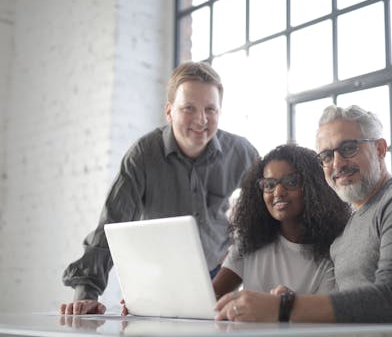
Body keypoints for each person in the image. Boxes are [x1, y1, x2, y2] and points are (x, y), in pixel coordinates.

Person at [214, 104, 392, 335]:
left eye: (348, 148)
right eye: (326, 156)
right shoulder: (348, 228)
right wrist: (290, 301)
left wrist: (284, 306)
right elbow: (349, 307)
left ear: (380, 149)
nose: (337, 163)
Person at [60, 61, 259, 315]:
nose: (201, 119)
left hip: (222, 275)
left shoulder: (241, 153)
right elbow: (110, 226)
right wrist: (86, 293)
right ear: (169, 112)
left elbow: (265, 216)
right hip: (159, 279)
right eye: (189, 108)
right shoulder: (142, 156)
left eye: (211, 109)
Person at [212, 144, 350, 303]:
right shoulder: (249, 242)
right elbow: (212, 297)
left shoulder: (334, 251)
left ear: (314, 187)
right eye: (269, 185)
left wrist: (288, 306)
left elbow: (326, 317)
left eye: (291, 182)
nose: (278, 192)